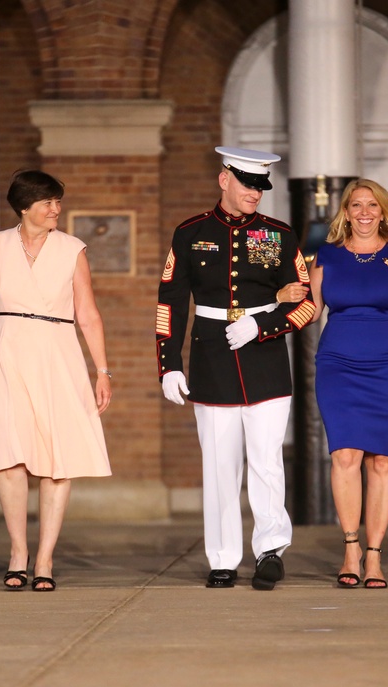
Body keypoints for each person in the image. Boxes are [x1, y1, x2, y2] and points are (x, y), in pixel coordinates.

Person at [0, 170, 112, 591]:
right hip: (7, 352)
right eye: (48, 202)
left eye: (58, 201)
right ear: (24, 207)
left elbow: (88, 314)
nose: (56, 209)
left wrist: (102, 370)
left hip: (58, 353)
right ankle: (18, 553)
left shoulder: (72, 249)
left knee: (57, 456)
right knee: (10, 451)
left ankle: (46, 561)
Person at [156, 146, 315, 590]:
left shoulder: (279, 235)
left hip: (264, 359)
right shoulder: (190, 232)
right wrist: (169, 364)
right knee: (220, 466)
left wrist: (262, 324)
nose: (255, 194)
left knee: (266, 463)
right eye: (248, 184)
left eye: (262, 187)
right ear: (224, 179)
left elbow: (307, 305)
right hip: (211, 359)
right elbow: (170, 303)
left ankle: (270, 550)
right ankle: (223, 557)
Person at [307, 179, 388, 589]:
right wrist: (285, 294)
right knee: (345, 456)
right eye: (356, 205)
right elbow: (310, 310)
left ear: (383, 212)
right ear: (345, 212)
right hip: (338, 364)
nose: (363, 212)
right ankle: (350, 547)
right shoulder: (325, 257)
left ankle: (374, 555)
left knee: (383, 461)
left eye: (371, 206)